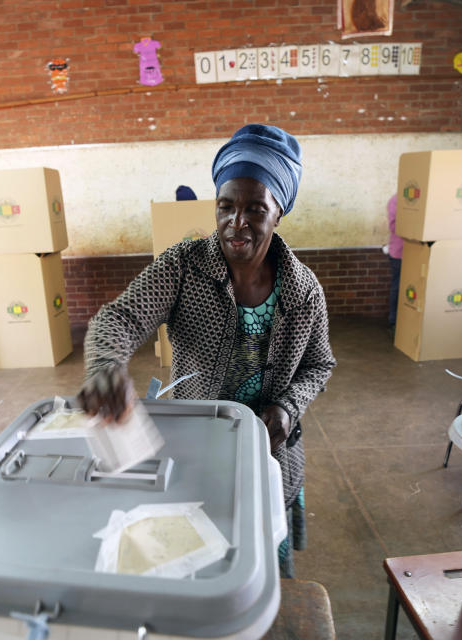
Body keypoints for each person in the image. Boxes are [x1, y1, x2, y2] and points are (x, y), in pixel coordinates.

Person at [79, 124, 336, 577]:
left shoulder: (303, 290)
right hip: (199, 439)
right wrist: (105, 366)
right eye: (226, 206)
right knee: (198, 553)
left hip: (270, 449)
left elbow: (319, 363)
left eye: (255, 209)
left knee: (257, 565)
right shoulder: (184, 266)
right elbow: (120, 318)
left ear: (278, 214)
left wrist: (287, 408)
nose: (237, 222)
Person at [385, 194, 402, 329]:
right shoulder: (396, 200)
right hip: (399, 253)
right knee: (398, 286)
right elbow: (394, 227)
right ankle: (394, 320)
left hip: (418, 253)